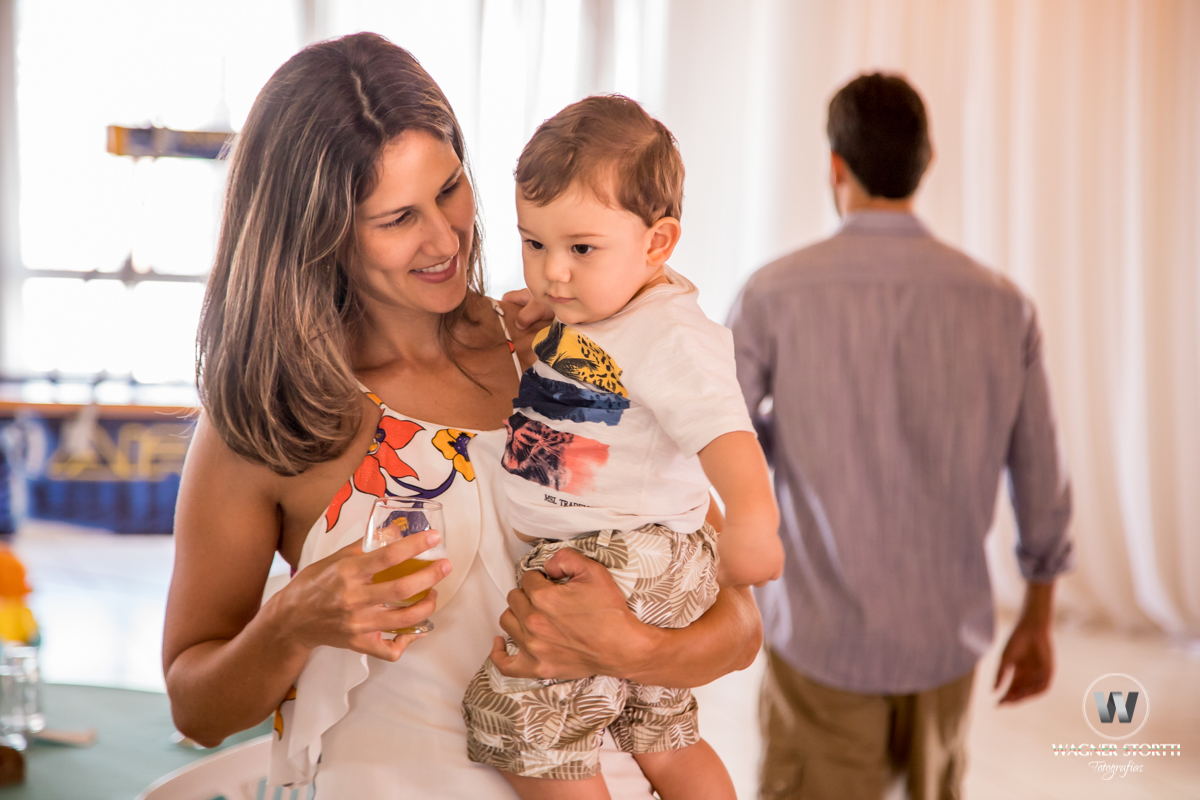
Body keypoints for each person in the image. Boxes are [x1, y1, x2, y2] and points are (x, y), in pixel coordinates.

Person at [163, 33, 763, 798]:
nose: (446, 238)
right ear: (319, 233)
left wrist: (635, 649)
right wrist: (292, 623)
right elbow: (196, 706)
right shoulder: (270, 416)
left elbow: (739, 621)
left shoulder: (561, 350)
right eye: (397, 218)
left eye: (450, 189)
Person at [727, 73, 1074, 800]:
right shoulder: (1004, 306)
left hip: (820, 637)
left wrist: (789, 437)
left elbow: (717, 431)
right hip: (944, 641)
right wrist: (1039, 618)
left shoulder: (773, 293)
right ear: (927, 162)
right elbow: (1041, 473)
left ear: (836, 166)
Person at [460, 96, 782, 800]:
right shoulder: (606, 311)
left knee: (521, 723)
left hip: (624, 554)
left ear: (658, 244)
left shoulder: (672, 334)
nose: (553, 272)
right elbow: (599, 380)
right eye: (534, 243)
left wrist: (754, 519)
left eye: (581, 249)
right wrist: (545, 326)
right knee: (660, 735)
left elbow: (723, 428)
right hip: (631, 553)